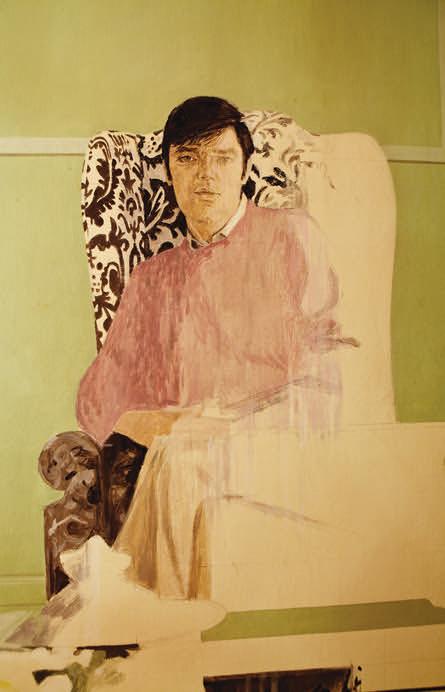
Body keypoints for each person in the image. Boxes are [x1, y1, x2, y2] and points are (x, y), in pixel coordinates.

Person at [77, 96, 348, 448]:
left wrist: (230, 428)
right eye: (188, 158)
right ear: (169, 172)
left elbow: (334, 372)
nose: (206, 173)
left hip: (278, 452)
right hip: (176, 460)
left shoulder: (293, 236)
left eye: (222, 158)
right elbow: (97, 400)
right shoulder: (152, 277)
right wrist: (162, 425)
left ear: (244, 170)